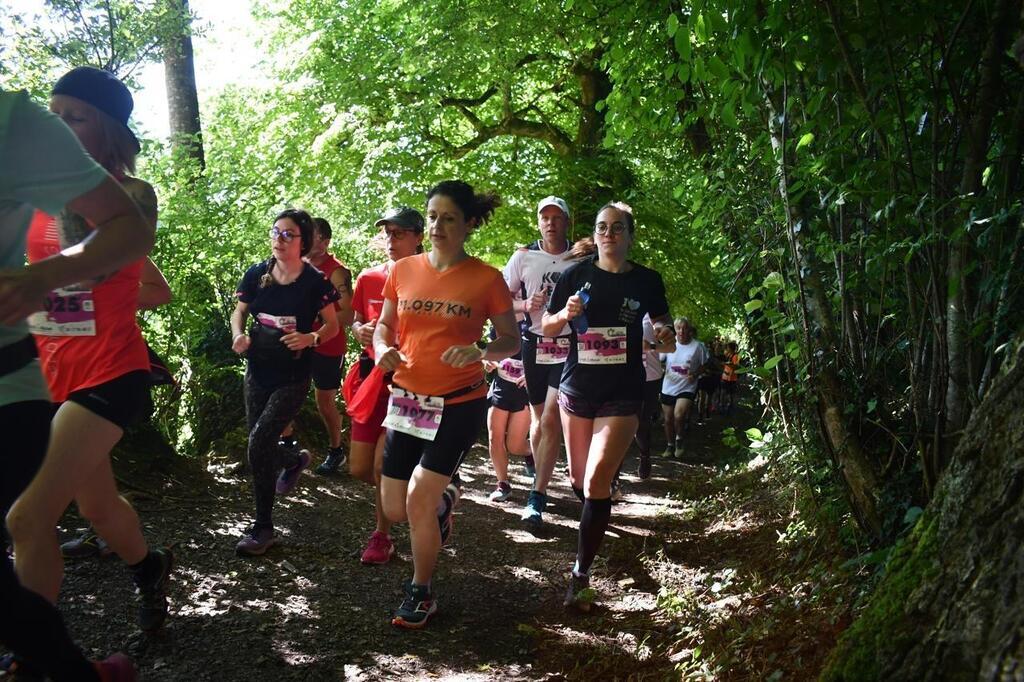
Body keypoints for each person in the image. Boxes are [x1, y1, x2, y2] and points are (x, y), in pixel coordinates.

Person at [8, 67, 173, 640]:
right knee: (97, 508)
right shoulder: (27, 200)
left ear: (108, 130)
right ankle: (151, 571)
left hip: (110, 370)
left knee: (27, 517)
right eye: (51, 118)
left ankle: (34, 655)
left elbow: (109, 259)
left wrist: (52, 281)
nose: (57, 129)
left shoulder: (132, 197)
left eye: (74, 118)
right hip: (44, 376)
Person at [373, 180, 517, 628]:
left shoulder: (487, 279)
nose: (436, 225)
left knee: (417, 498)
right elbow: (383, 327)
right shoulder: (403, 270)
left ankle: (421, 591)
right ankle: (445, 499)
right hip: (408, 399)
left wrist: (483, 352)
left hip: (459, 400)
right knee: (395, 509)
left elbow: (511, 338)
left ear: (469, 224)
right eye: (432, 216)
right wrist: (382, 351)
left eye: (448, 218)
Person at [541, 201, 674, 611]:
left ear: (630, 235)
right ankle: (594, 519)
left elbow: (666, 333)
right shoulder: (574, 275)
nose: (609, 234)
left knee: (598, 480)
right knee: (581, 484)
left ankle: (579, 575)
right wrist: (565, 313)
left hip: (624, 390)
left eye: (618, 228)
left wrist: (666, 336)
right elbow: (546, 326)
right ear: (594, 234)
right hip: (577, 387)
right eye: (602, 227)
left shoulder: (647, 280)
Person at [229, 209, 340, 556]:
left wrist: (311, 338)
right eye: (275, 232)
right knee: (256, 445)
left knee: (260, 441)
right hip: (257, 369)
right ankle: (292, 462)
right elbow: (240, 312)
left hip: (292, 375)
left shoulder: (316, 282)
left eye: (288, 234)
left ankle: (262, 528)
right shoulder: (257, 273)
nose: (279, 238)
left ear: (303, 241)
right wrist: (238, 335)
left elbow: (332, 327)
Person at [348, 206, 424, 565]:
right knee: (359, 468)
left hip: (409, 382)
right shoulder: (368, 278)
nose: (390, 241)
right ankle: (415, 494)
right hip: (370, 380)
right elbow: (357, 320)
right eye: (387, 234)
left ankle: (382, 536)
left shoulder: (430, 279)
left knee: (381, 465)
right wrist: (359, 330)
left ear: (418, 237)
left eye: (399, 233)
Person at [502, 196, 577, 529]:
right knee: (537, 419)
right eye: (544, 217)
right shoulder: (523, 256)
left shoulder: (581, 256)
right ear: (538, 222)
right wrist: (523, 304)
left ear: (566, 221)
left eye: (556, 217)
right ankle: (543, 469)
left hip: (569, 344)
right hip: (534, 343)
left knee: (549, 417)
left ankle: (537, 494)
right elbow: (499, 299)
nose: (550, 222)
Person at [278, 217, 354, 475]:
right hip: (297, 341)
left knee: (324, 401)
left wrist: (318, 319)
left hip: (328, 344)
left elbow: (348, 315)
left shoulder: (336, 271)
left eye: (317, 236)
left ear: (326, 241)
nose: (311, 240)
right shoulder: (295, 265)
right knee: (282, 390)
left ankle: (336, 451)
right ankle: (287, 446)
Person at [484, 322, 532, 502]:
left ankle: (530, 452)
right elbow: (490, 354)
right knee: (494, 437)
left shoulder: (534, 321)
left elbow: (547, 356)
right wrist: (487, 362)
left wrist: (533, 374)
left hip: (524, 392)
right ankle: (503, 484)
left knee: (514, 445)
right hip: (501, 388)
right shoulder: (499, 323)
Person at [660, 318, 709, 459]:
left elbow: (704, 364)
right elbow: (659, 359)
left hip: (687, 386)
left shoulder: (698, 346)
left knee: (678, 415)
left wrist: (695, 374)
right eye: (679, 328)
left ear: (689, 330)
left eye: (685, 328)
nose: (682, 331)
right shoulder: (669, 343)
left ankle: (679, 440)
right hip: (668, 386)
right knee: (668, 419)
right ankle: (670, 445)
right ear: (675, 330)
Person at [634, 313, 674, 479]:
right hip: (623, 375)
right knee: (621, 419)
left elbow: (671, 348)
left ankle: (644, 455)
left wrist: (650, 346)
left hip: (650, 377)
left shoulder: (653, 314)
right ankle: (613, 479)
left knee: (641, 423)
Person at [720, 340, 740, 415]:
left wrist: (728, 364)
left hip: (731, 378)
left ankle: (729, 408)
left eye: (728, 347)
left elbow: (736, 367)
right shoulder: (728, 355)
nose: (727, 349)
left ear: (731, 348)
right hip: (725, 377)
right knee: (723, 393)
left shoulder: (735, 356)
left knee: (730, 394)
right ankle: (722, 407)